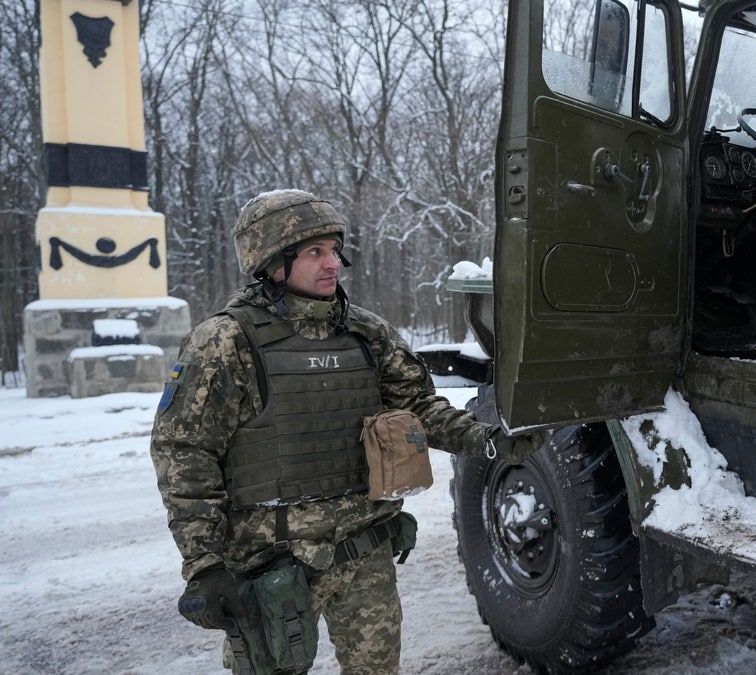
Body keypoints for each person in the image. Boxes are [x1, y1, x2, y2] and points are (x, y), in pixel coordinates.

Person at [150, 189, 540, 674]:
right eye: (315, 252)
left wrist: (487, 438)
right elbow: (184, 453)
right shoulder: (225, 343)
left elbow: (418, 406)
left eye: (334, 250)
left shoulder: (366, 333)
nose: (333, 263)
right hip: (272, 566)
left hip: (365, 551)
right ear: (273, 261)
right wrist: (203, 564)